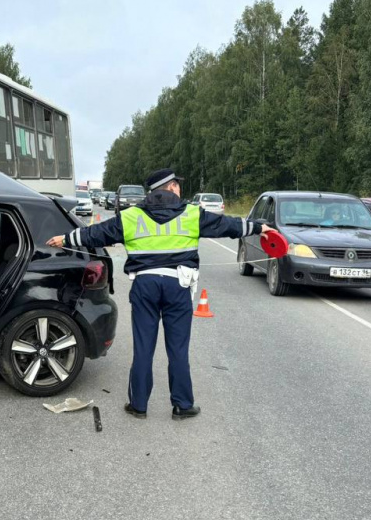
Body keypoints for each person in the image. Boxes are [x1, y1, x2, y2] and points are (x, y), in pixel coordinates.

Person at [46, 168, 271, 419]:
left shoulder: (131, 216)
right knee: (178, 349)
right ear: (171, 187)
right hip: (178, 287)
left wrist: (66, 239)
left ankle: (139, 405)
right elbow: (227, 226)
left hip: (145, 287)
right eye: (178, 185)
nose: (180, 189)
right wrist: (259, 228)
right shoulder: (191, 214)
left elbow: (97, 233)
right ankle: (183, 406)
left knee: (143, 347)